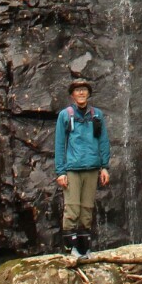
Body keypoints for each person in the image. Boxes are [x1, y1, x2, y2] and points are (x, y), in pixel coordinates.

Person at [54, 77, 111, 259]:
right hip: (72, 169)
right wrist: (60, 171)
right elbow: (59, 143)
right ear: (72, 94)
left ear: (88, 93)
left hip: (92, 168)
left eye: (84, 90)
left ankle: (84, 249)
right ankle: (70, 250)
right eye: (77, 90)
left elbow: (103, 141)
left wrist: (104, 167)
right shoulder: (66, 115)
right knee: (72, 209)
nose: (81, 93)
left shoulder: (96, 115)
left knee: (86, 209)